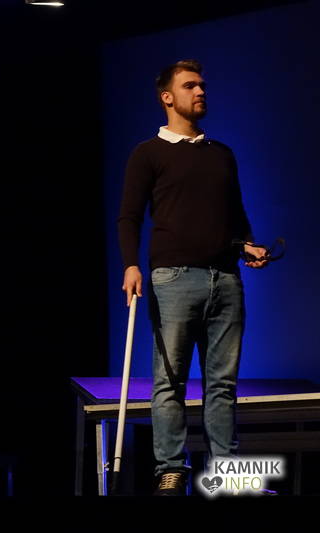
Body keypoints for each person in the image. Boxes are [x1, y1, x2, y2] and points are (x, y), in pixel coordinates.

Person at [117, 59, 269, 496]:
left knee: (223, 384)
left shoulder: (221, 153)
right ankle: (171, 469)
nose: (200, 91)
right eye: (190, 86)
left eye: (202, 85)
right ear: (167, 97)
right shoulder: (149, 152)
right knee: (170, 382)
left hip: (226, 279)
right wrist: (130, 264)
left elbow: (235, 213)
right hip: (174, 279)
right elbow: (129, 216)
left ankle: (229, 475)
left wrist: (247, 244)